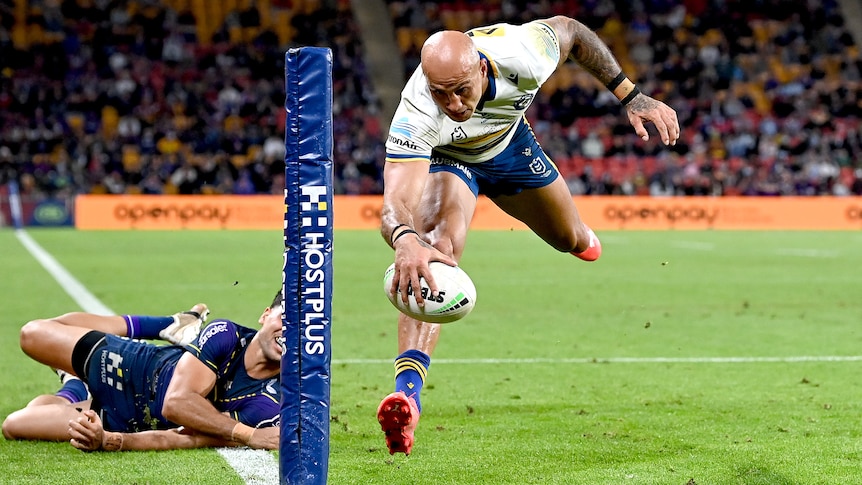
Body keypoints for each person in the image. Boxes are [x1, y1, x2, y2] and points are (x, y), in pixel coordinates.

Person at [377, 15, 680, 455]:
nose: (454, 104)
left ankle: (578, 237)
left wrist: (629, 95)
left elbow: (573, 32)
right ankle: (408, 395)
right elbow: (394, 202)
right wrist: (406, 239)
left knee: (570, 239)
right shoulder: (418, 110)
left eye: (462, 89)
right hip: (451, 162)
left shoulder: (523, 52)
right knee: (436, 247)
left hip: (510, 147)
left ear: (482, 69)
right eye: (441, 92)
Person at [2, 293, 285, 451]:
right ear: (264, 315)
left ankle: (73, 385)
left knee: (15, 425)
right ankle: (168, 324)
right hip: (130, 364)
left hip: (121, 419)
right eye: (285, 318)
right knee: (33, 333)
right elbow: (175, 404)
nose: (288, 332)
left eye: (300, 331)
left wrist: (109, 440)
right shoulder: (226, 334)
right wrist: (247, 435)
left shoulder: (268, 404)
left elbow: (185, 436)